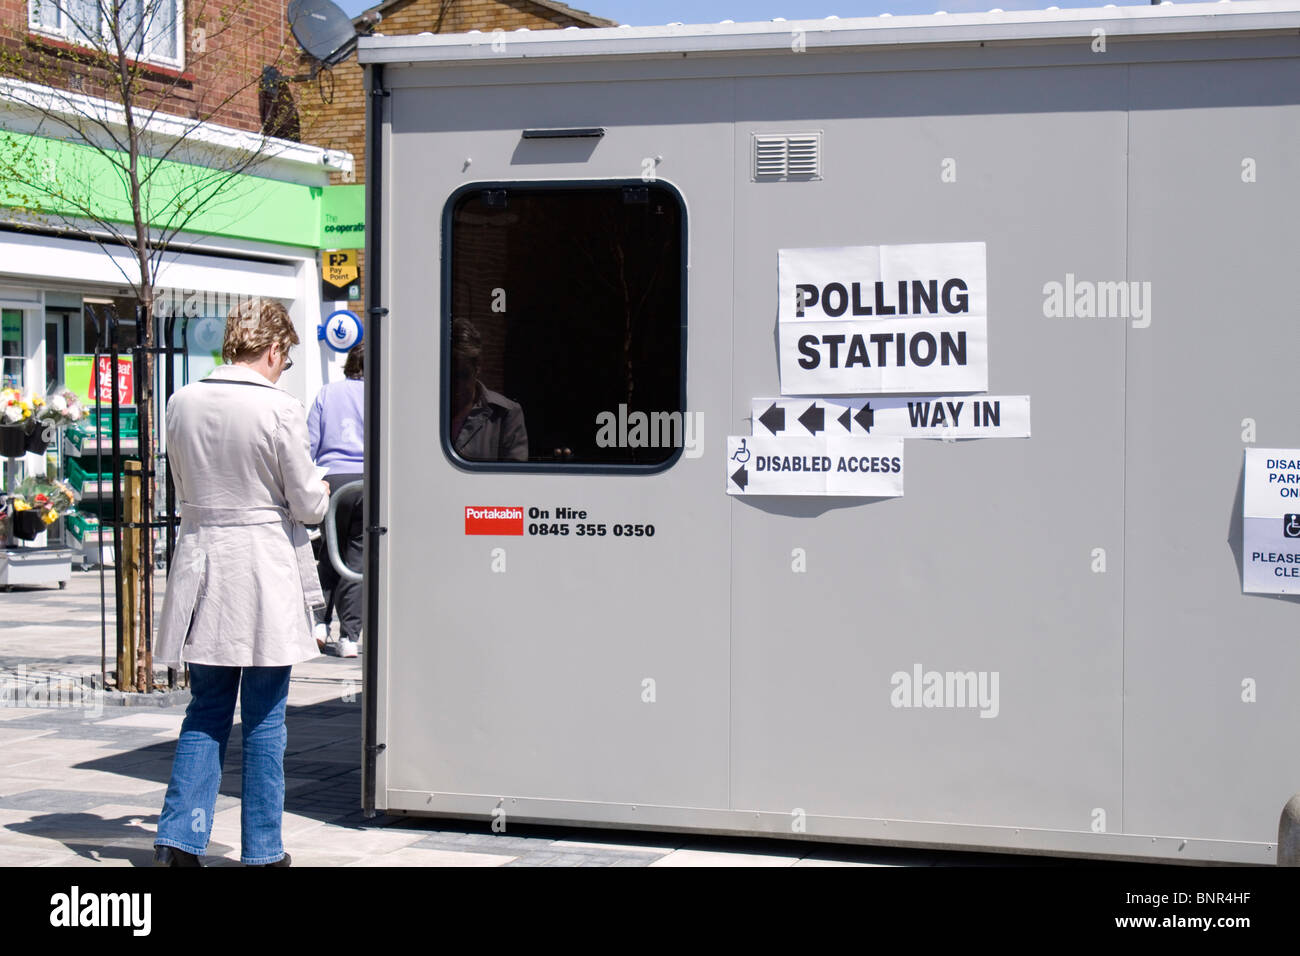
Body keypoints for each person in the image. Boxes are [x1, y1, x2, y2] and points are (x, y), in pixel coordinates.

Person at [152, 297, 330, 868]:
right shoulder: (279, 408)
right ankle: (263, 850)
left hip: (202, 561)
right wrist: (323, 491)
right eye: (286, 357)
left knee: (205, 707)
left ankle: (180, 842)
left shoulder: (181, 401)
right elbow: (306, 503)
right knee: (265, 714)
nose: (284, 368)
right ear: (275, 348)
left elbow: (178, 482)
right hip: (261, 568)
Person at [308, 341, 364, 658]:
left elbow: (309, 445)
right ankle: (349, 637)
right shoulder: (382, 394)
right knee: (356, 558)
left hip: (331, 481)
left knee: (329, 554)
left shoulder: (327, 394)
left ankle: (318, 625)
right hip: (367, 483)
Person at [450, 317, 529, 461]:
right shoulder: (427, 409)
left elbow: (514, 477)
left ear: (477, 367)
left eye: (463, 375)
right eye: (449, 375)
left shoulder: (506, 414)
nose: (457, 384)